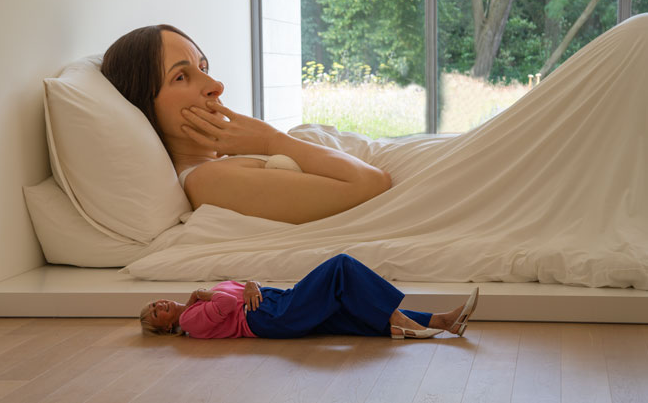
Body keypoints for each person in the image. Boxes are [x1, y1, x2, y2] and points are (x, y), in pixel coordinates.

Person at [102, 25, 391, 225]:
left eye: (203, 68)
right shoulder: (207, 181)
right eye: (181, 77)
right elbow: (370, 184)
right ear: (143, 104)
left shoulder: (223, 163)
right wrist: (270, 140)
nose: (215, 85)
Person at [139, 254, 479, 340]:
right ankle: (399, 319)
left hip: (274, 303)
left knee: (352, 313)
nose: (159, 306)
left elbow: (242, 289)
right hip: (267, 318)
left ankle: (443, 322)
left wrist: (252, 282)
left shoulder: (195, 307)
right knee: (341, 267)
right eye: (156, 314)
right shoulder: (189, 321)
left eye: (154, 304)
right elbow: (229, 303)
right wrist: (202, 292)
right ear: (168, 328)